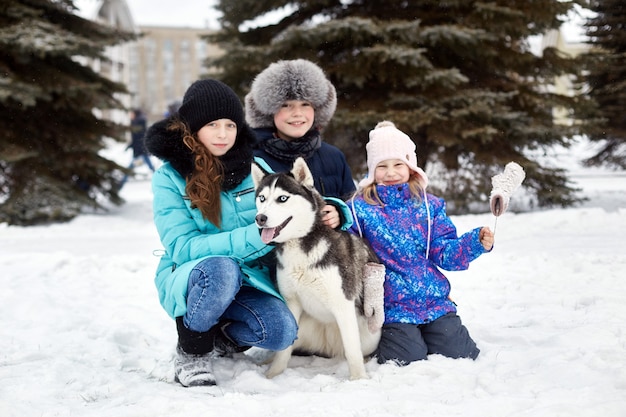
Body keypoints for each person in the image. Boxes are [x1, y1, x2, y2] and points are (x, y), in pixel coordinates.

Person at [143, 79, 298, 387]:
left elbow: (293, 199)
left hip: (249, 276)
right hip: (195, 273)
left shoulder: (255, 166)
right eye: (213, 124)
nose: (223, 134)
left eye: (230, 125)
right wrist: (257, 236)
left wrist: (335, 209)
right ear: (192, 127)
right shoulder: (169, 177)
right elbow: (182, 247)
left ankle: (221, 337)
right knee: (221, 269)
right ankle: (192, 351)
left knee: (281, 332)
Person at [348, 121, 495, 365]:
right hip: (391, 304)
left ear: (411, 167)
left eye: (398, 164)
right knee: (407, 358)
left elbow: (445, 252)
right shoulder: (360, 208)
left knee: (460, 353)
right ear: (372, 170)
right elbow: (349, 250)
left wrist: (474, 243)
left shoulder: (429, 206)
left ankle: (434, 333)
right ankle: (402, 339)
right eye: (382, 166)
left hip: (432, 299)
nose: (391, 172)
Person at [245, 59, 355, 229]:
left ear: (317, 109)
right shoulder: (253, 159)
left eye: (305, 104)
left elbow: (354, 207)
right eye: (286, 105)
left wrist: (340, 213)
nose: (297, 113)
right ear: (268, 110)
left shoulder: (333, 157)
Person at [119, 108, 155, 188]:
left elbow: (140, 139)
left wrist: (137, 150)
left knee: (130, 168)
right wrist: (129, 146)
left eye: (131, 114)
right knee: (150, 167)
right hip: (140, 150)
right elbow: (135, 139)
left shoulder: (139, 124)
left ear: (135, 114)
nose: (130, 116)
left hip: (140, 150)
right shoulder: (134, 123)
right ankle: (121, 183)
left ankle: (120, 184)